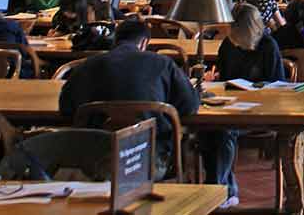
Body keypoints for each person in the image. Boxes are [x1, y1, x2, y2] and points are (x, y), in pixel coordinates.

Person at [60, 18, 200, 180]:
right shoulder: (163, 64)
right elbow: (189, 106)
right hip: (148, 160)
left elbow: (66, 108)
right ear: (144, 43)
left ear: (115, 40)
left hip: (95, 161)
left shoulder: (88, 65)